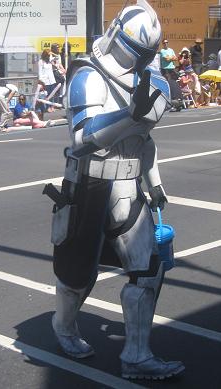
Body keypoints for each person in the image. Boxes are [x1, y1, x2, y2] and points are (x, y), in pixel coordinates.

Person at [45, 0, 185, 381]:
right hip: (89, 185)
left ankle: (136, 355)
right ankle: (64, 327)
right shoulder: (88, 76)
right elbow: (82, 139)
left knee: (148, 271)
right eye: (134, 49)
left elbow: (144, 142)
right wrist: (129, 114)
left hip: (127, 187)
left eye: (145, 53)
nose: (137, 58)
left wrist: (154, 185)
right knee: (78, 273)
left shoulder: (148, 80)